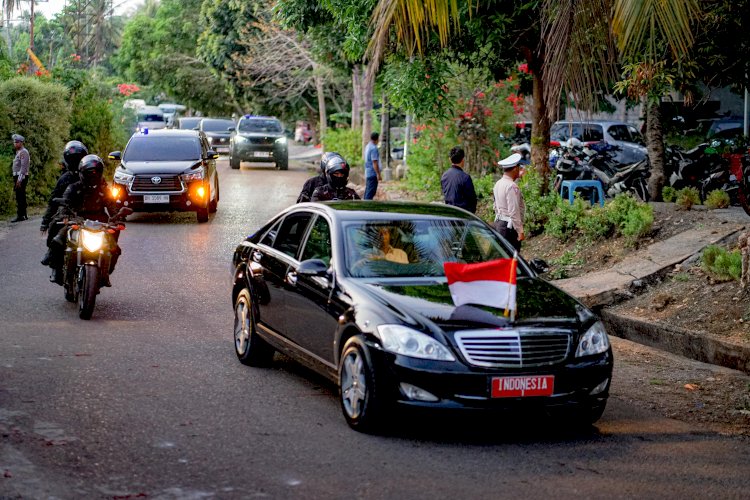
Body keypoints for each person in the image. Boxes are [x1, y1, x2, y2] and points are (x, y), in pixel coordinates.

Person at [47, 154, 121, 286]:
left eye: (96, 173)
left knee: (115, 248)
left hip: (99, 223)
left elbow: (112, 206)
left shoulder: (104, 189)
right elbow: (65, 202)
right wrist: (64, 214)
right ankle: (56, 269)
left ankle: (105, 273)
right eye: (89, 173)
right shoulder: (74, 188)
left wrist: (116, 218)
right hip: (77, 219)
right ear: (82, 173)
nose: (93, 176)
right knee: (57, 240)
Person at [40, 141, 89, 266]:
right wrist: (45, 222)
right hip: (68, 213)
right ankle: (53, 258)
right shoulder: (64, 178)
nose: (75, 162)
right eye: (73, 159)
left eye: (78, 159)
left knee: (111, 242)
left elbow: (105, 195)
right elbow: (53, 201)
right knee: (55, 227)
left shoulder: (92, 174)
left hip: (91, 213)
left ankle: (104, 269)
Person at [492, 152, 526, 252]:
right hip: (509, 228)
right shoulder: (511, 186)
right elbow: (513, 210)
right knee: (512, 258)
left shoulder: (498, 183)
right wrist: (520, 231)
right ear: (515, 168)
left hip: (499, 224)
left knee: (503, 255)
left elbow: (495, 205)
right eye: (519, 168)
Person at [441, 146, 477, 213]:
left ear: (450, 159)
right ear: (463, 160)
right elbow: (472, 199)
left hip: (448, 213)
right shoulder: (465, 177)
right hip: (463, 214)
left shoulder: (444, 176)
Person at [10, 134, 30, 222]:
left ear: (21, 143)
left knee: (20, 196)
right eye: (14, 142)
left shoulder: (23, 152)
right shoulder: (18, 152)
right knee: (20, 196)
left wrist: (19, 179)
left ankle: (20, 215)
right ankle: (23, 214)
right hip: (17, 176)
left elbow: (23, 167)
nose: (15, 144)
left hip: (21, 176)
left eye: (17, 142)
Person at [364, 132, 380, 200]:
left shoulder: (368, 146)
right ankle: (366, 208)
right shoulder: (374, 148)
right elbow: (375, 162)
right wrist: (378, 174)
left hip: (368, 172)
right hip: (372, 173)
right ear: (377, 139)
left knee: (368, 191)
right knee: (370, 193)